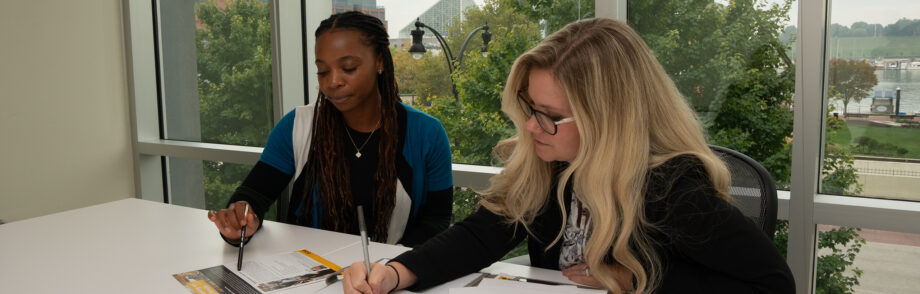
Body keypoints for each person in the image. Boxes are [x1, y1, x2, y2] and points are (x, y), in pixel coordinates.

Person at [342, 18, 795, 294]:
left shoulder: (670, 189)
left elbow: (772, 285)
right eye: (529, 108)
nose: (532, 126)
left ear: (608, 119)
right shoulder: (554, 164)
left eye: (551, 115)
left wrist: (636, 280)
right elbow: (481, 236)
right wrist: (396, 273)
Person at [207, 11, 454, 247]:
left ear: (379, 62)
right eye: (322, 71)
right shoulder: (297, 126)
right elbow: (254, 195)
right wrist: (240, 220)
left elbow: (437, 220)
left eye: (348, 68)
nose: (332, 81)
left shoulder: (427, 134)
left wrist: (394, 267)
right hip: (308, 275)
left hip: (388, 281)